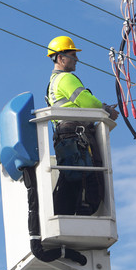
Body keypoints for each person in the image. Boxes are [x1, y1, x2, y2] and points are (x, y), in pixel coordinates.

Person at [44, 36, 118, 216]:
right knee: (86, 177)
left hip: (66, 137)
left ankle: (68, 212)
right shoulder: (66, 78)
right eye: (73, 55)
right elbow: (85, 101)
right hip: (76, 136)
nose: (77, 59)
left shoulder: (53, 83)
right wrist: (106, 110)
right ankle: (81, 209)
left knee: (73, 178)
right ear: (60, 58)